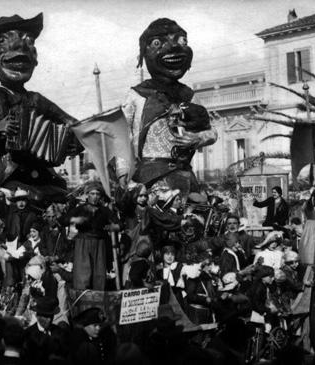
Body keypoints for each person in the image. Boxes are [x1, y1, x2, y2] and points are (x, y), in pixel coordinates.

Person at [0, 13, 81, 202]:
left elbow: (75, 124)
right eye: (2, 40)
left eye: (28, 41)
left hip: (42, 174)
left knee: (67, 198)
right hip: (6, 176)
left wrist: (75, 141)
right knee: (33, 198)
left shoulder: (37, 99)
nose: (19, 46)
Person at [121, 18, 217, 198]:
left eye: (182, 41)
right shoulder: (137, 95)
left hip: (185, 176)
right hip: (150, 178)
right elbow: (121, 137)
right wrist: (125, 177)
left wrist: (198, 138)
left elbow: (212, 132)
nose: (174, 48)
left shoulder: (189, 95)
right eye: (157, 43)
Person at [67, 182, 118, 291]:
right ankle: (83, 302)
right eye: (92, 193)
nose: (95, 196)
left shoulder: (105, 211)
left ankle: (98, 302)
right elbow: (64, 220)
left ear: (100, 196)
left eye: (97, 194)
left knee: (99, 276)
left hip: (100, 244)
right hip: (83, 243)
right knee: (82, 276)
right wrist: (76, 220)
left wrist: (111, 226)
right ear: (87, 195)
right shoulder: (80, 209)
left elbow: (119, 224)